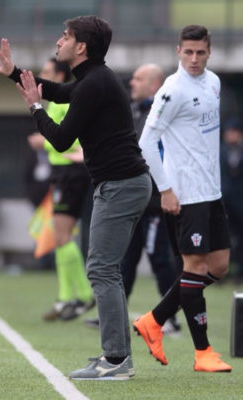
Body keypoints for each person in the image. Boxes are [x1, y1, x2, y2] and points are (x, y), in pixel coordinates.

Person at [0, 15, 151, 380]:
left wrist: (34, 108)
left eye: (65, 36)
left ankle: (116, 360)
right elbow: (59, 92)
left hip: (122, 185)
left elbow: (61, 140)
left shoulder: (95, 83)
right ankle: (117, 356)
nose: (58, 41)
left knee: (101, 269)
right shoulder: (93, 80)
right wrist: (15, 74)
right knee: (106, 269)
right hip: (121, 184)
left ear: (81, 47)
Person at [136, 25, 232, 372]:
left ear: (209, 52)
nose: (194, 58)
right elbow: (146, 143)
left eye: (200, 52)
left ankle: (153, 320)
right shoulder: (171, 90)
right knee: (194, 268)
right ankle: (203, 353)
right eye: (188, 52)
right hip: (185, 194)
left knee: (218, 267)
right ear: (178, 51)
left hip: (211, 192)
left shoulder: (214, 83)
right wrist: (165, 189)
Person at [84, 64, 180, 334]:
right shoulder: (134, 111)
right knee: (125, 259)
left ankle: (170, 317)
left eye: (138, 79)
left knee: (159, 258)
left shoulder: (161, 113)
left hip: (156, 201)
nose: (132, 83)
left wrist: (166, 190)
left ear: (154, 85)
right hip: (135, 200)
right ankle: (111, 315)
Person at [27, 58, 94, 321]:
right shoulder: (55, 103)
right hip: (61, 173)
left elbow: (70, 139)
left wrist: (43, 143)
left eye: (46, 72)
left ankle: (80, 295)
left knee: (63, 235)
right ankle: (68, 296)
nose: (42, 75)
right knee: (60, 236)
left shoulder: (66, 102)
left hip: (71, 173)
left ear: (60, 75)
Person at [220, 118, 243, 283]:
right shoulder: (220, 152)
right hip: (224, 203)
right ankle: (221, 273)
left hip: (240, 203)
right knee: (223, 238)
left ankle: (239, 272)